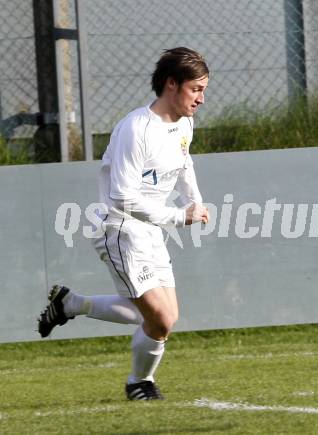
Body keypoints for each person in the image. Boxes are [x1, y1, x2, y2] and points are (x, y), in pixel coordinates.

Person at [38, 47, 210, 401]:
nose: (202, 99)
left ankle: (71, 304)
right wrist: (178, 216)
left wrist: (194, 198)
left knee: (164, 316)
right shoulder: (136, 129)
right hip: (119, 229)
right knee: (158, 319)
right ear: (171, 84)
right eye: (196, 89)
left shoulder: (184, 122)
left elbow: (184, 160)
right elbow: (121, 197)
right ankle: (138, 384)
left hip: (150, 229)